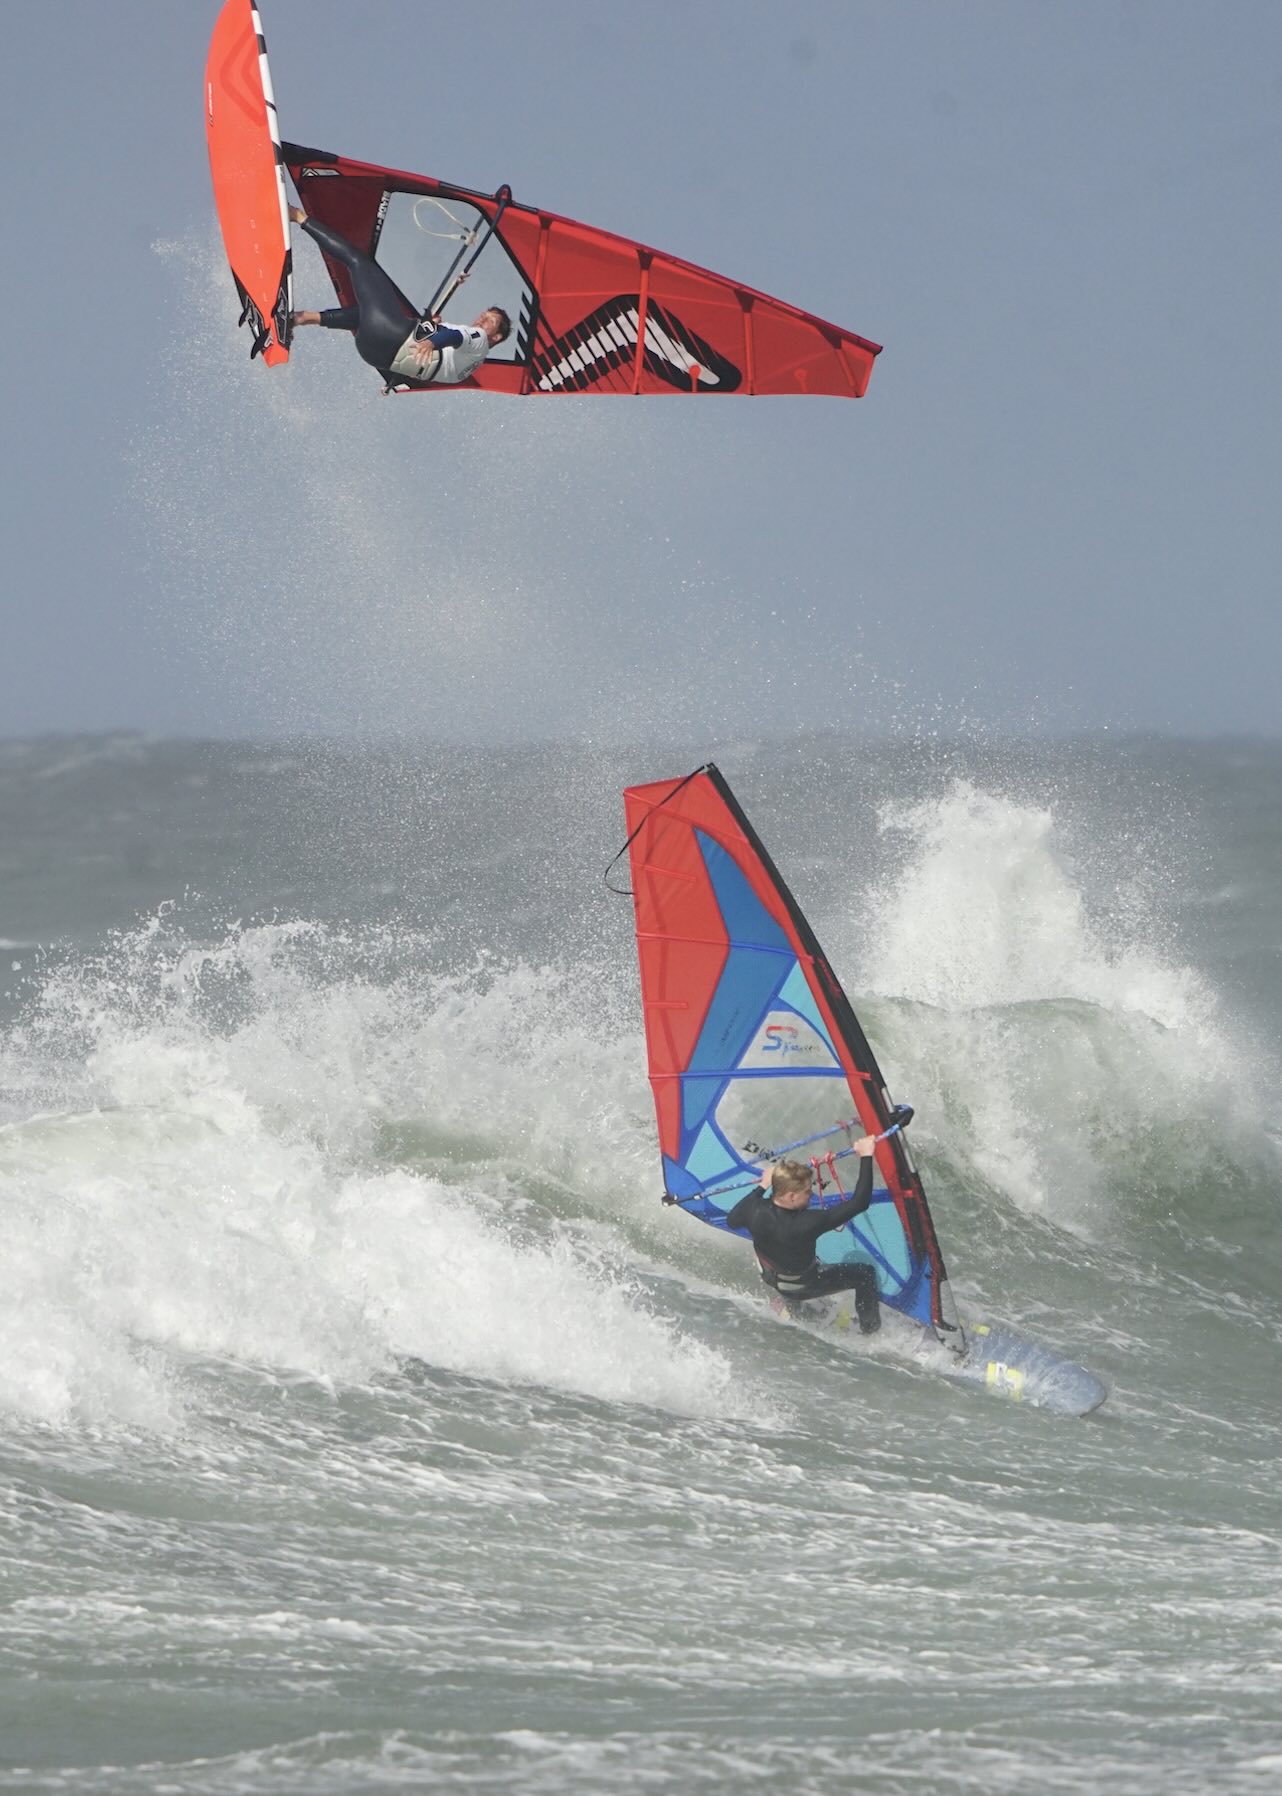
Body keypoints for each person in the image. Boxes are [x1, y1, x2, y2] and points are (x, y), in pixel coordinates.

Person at [287, 205, 511, 387]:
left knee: (358, 261)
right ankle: (302, 318)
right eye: (484, 315)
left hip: (391, 334)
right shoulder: (467, 368)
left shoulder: (480, 339)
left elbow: (455, 337)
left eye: (489, 320)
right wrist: (430, 330)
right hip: (374, 353)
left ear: (497, 337)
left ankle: (298, 216)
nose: (481, 319)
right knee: (366, 313)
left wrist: (431, 342)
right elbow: (430, 363)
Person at [725, 1137, 881, 1333]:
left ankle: (797, 1310)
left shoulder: (753, 1209)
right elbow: (860, 1202)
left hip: (770, 1276)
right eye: (807, 1192)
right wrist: (866, 1156)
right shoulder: (807, 1222)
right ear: (791, 1196)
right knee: (865, 1273)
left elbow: (732, 1220)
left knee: (791, 1261)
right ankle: (870, 1330)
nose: (811, 1195)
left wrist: (763, 1185)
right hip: (802, 1285)